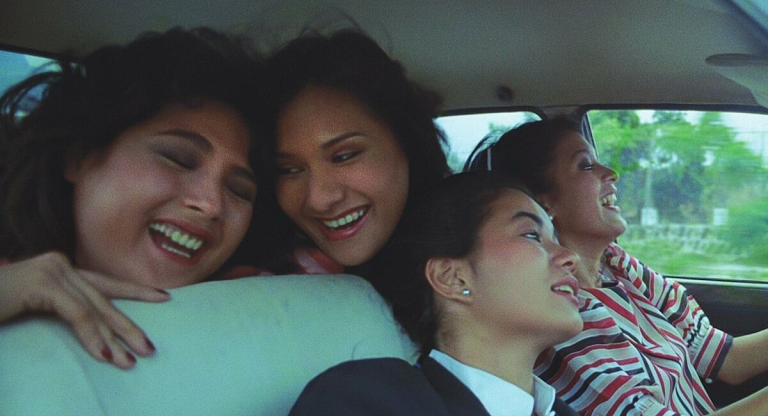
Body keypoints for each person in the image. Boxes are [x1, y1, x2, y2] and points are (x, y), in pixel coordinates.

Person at [0, 27, 269, 369]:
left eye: (239, 190)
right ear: (79, 157)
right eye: (178, 158)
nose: (210, 204)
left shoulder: (267, 303)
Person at [467, 118, 768, 415]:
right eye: (586, 165)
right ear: (545, 205)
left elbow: (725, 359)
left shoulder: (617, 266)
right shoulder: (559, 323)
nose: (611, 174)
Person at [290, 171, 581, 416]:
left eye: (556, 239)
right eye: (531, 234)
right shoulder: (367, 401)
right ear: (451, 278)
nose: (570, 257)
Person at [263, 29, 451, 276]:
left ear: (406, 141)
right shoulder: (261, 291)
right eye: (289, 170)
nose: (318, 199)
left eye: (344, 156)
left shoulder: (480, 264)